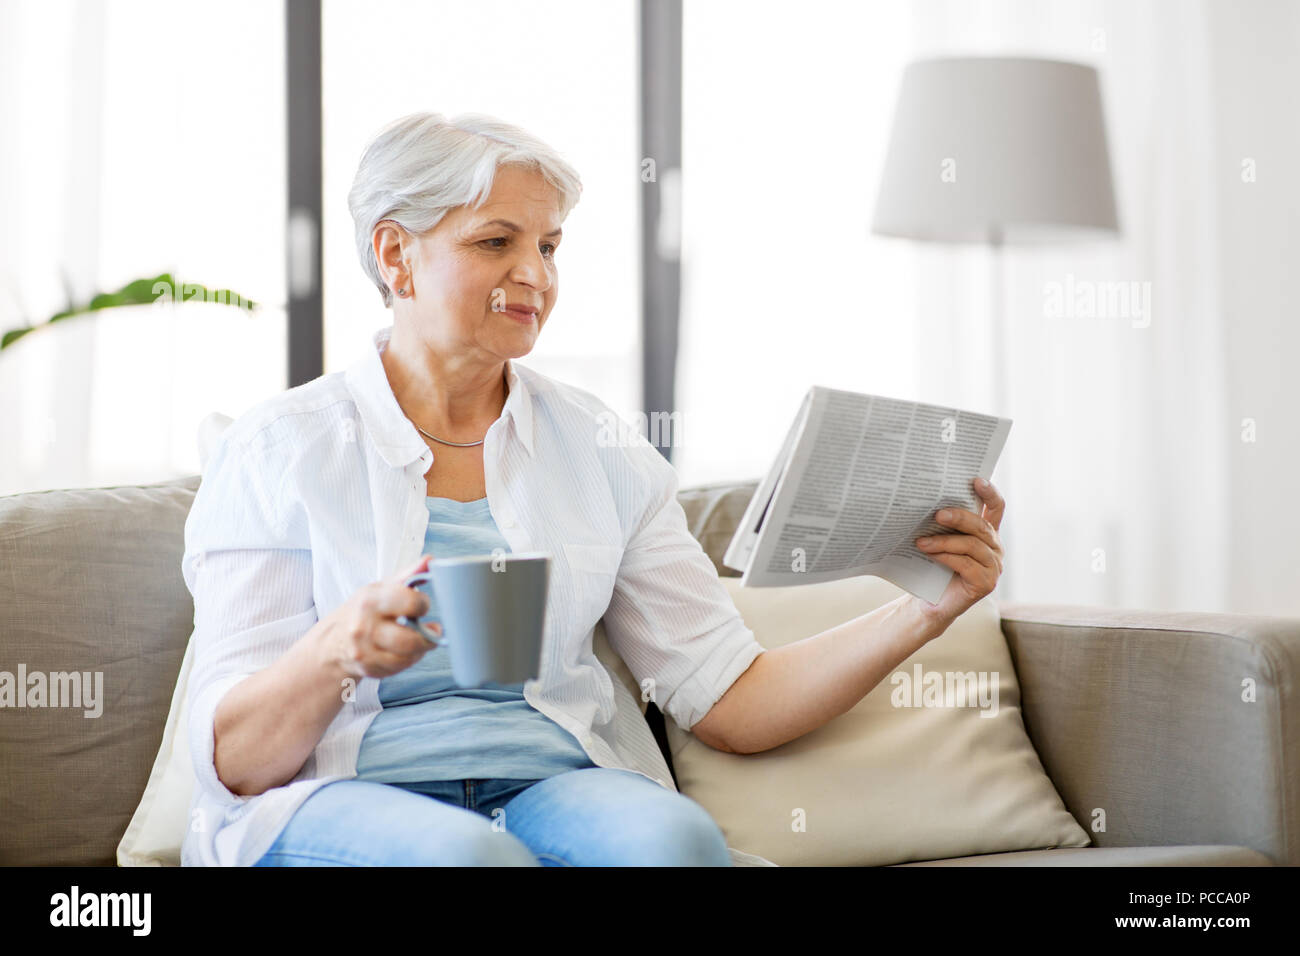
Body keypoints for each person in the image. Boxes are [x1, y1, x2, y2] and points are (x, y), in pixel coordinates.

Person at [181, 112, 1006, 867]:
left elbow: (731, 698)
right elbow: (238, 761)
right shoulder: (278, 450)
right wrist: (338, 649)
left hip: (549, 787)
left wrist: (926, 608)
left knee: (676, 844)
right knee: (472, 861)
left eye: (548, 245)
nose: (533, 274)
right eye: (495, 242)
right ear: (396, 255)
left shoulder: (598, 447)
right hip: (344, 793)